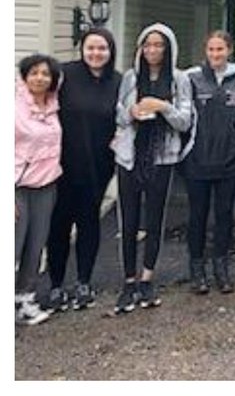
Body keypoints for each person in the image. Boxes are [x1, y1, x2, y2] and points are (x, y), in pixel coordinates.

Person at [112, 24, 194, 313]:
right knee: (129, 220)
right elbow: (119, 115)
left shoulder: (179, 79)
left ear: (168, 47)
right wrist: (131, 112)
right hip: (130, 155)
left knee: (155, 217)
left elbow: (185, 120)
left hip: (162, 156)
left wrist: (162, 106)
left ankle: (147, 278)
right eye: (147, 45)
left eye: (159, 45)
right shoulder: (131, 78)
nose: (153, 51)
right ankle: (128, 280)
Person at [45, 28, 119, 313]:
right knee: (58, 226)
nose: (96, 53)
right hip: (60, 166)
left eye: (102, 49)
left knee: (89, 223)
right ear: (82, 49)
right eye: (91, 48)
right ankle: (55, 284)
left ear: (110, 51)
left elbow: (124, 119)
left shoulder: (118, 81)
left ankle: (84, 282)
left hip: (98, 166)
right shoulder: (64, 75)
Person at [184, 30, 235, 295]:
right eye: (211, 50)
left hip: (230, 159)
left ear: (229, 50)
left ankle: (221, 267)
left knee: (224, 215)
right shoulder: (191, 78)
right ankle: (197, 269)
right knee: (197, 215)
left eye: (220, 49)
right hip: (198, 159)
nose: (215, 55)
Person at [15, 54, 63, 327]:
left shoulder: (54, 105)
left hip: (46, 186)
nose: (40, 78)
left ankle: (24, 300)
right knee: (13, 248)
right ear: (25, 76)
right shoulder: (13, 106)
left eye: (45, 74)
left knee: (35, 247)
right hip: (18, 187)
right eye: (34, 73)